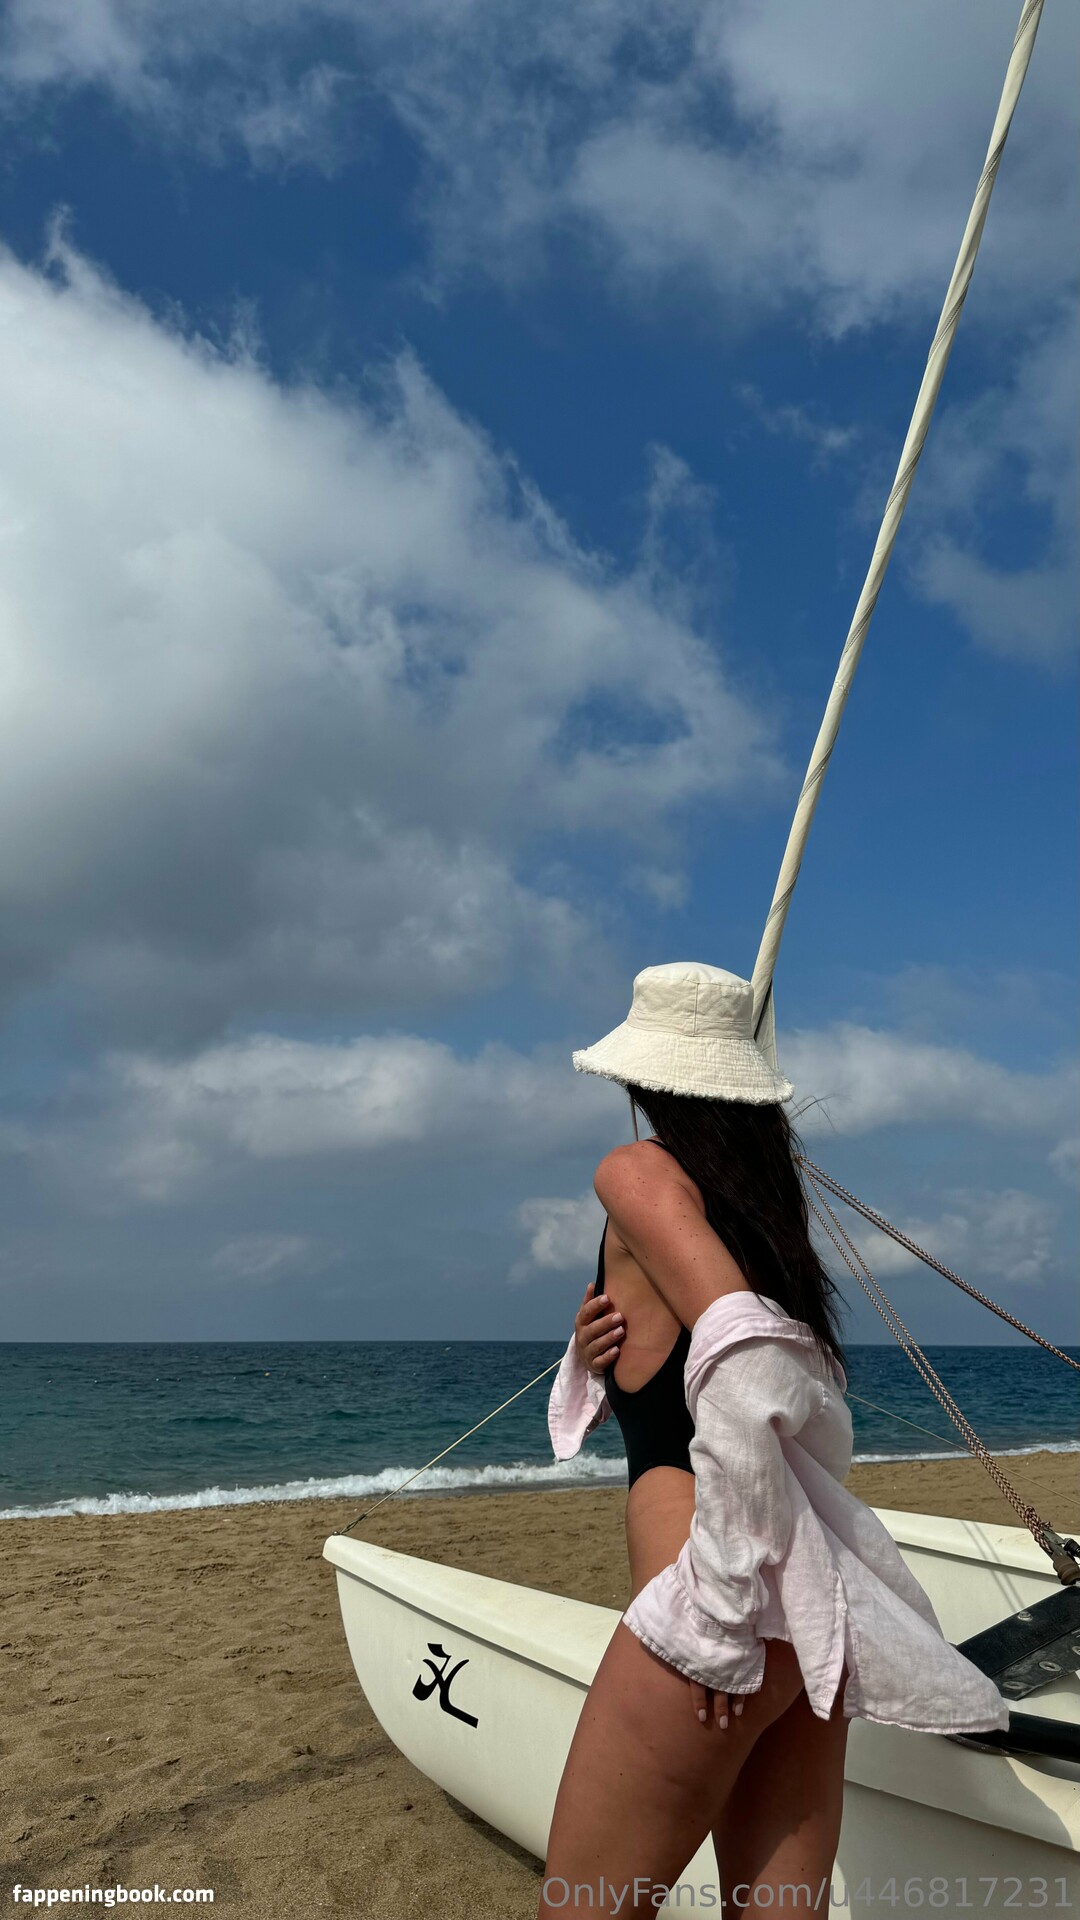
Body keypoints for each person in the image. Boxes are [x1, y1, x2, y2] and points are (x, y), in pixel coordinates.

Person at [540, 962, 1009, 1919]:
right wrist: (589, 1356)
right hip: (803, 1619)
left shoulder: (635, 1173)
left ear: (639, 1073)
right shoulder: (763, 1217)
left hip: (715, 1610)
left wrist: (717, 1619)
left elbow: (749, 1370)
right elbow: (751, 1365)